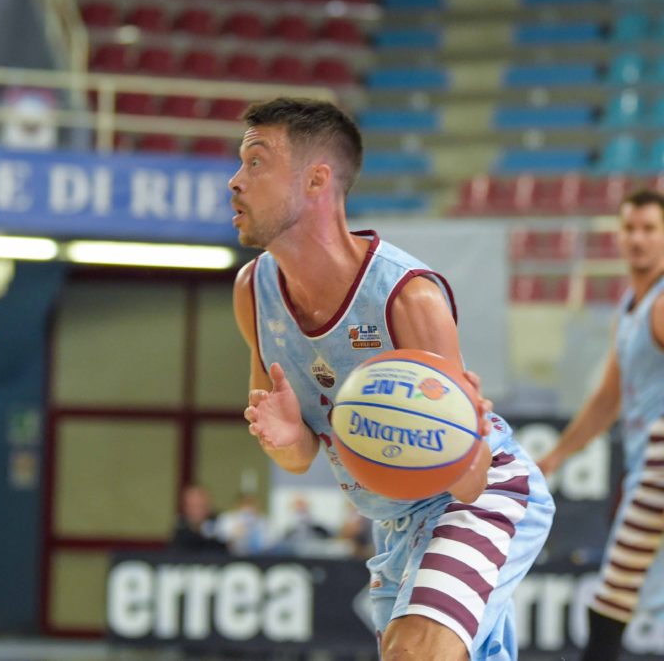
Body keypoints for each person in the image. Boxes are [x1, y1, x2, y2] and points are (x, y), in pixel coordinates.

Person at [230, 98, 554, 660]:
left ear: (316, 181)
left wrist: (466, 439)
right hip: (394, 522)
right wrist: (285, 438)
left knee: (415, 653)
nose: (235, 181)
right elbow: (298, 459)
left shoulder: (408, 297)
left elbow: (471, 481)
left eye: (255, 162)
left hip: (479, 495)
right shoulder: (252, 293)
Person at [537, 189, 664, 661]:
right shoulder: (631, 305)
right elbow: (607, 398)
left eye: (650, 228)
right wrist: (557, 455)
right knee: (620, 595)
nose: (638, 238)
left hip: (659, 456)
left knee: (613, 597)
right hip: (644, 460)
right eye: (630, 228)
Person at [170, 484, 226, 553]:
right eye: (192, 506)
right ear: (185, 508)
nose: (197, 511)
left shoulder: (222, 527)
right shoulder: (180, 530)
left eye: (200, 506)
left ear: (209, 506)